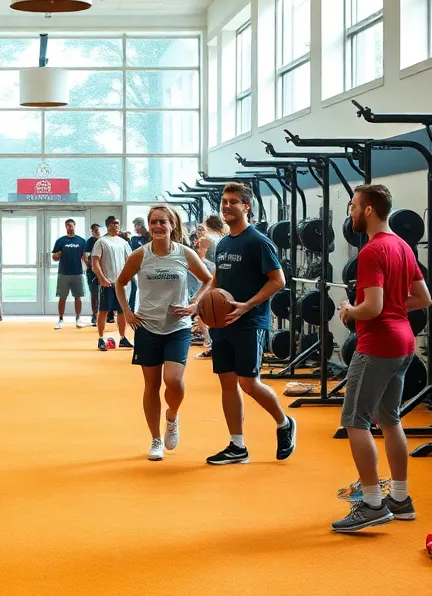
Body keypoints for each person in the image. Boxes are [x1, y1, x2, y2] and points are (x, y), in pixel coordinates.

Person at [332, 184, 431, 532]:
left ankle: (372, 502)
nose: (351, 212)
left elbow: (371, 309)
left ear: (369, 210)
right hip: (404, 342)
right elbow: (423, 298)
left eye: (354, 206)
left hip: (378, 346)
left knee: (355, 420)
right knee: (389, 419)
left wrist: (349, 310)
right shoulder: (403, 246)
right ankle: (400, 499)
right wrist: (387, 308)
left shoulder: (373, 251)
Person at [205, 183, 298, 466]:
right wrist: (198, 305)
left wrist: (247, 305)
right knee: (227, 384)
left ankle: (284, 423)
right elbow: (217, 281)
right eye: (224, 201)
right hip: (222, 323)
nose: (226, 206)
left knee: (248, 383)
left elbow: (278, 280)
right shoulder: (223, 243)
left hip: (249, 323)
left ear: (247, 206)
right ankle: (237, 445)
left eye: (233, 202)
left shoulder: (258, 241)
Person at [116, 206, 213, 460]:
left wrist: (195, 303)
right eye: (153, 222)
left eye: (163, 222)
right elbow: (120, 282)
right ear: (149, 226)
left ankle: (172, 416)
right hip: (147, 327)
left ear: (172, 225)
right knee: (151, 386)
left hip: (177, 327)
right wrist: (126, 310)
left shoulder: (185, 253)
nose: (158, 226)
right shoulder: (140, 255)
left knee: (173, 380)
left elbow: (208, 279)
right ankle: (156, 440)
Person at [92, 215, 133, 352]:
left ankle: (123, 338)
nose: (118, 226)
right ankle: (101, 338)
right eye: (115, 224)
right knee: (103, 310)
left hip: (121, 283)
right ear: (109, 225)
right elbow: (95, 262)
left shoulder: (123, 243)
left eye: (118, 224)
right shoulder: (102, 242)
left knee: (122, 311)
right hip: (107, 282)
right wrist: (102, 278)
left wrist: (128, 277)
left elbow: (130, 261)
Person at [193, 215, 228, 360]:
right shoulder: (225, 237)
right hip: (219, 274)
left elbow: (200, 258)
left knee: (203, 310)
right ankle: (213, 343)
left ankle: (209, 342)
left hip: (209, 274)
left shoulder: (205, 239)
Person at [51, 218, 88, 329]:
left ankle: (78, 318)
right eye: (67, 226)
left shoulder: (81, 241)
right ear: (65, 227)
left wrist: (89, 268)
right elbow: (54, 257)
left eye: (71, 225)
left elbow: (84, 257)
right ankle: (60, 319)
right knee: (62, 297)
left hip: (77, 273)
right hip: (63, 273)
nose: (69, 227)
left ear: (74, 226)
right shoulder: (60, 241)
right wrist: (57, 255)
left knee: (78, 297)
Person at [84, 223, 102, 325]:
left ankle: (107, 315)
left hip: (104, 272)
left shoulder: (103, 240)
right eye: (95, 230)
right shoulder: (89, 242)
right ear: (92, 231)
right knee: (94, 293)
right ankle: (95, 315)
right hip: (92, 273)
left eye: (98, 230)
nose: (97, 231)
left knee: (104, 294)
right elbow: (85, 256)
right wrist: (92, 266)